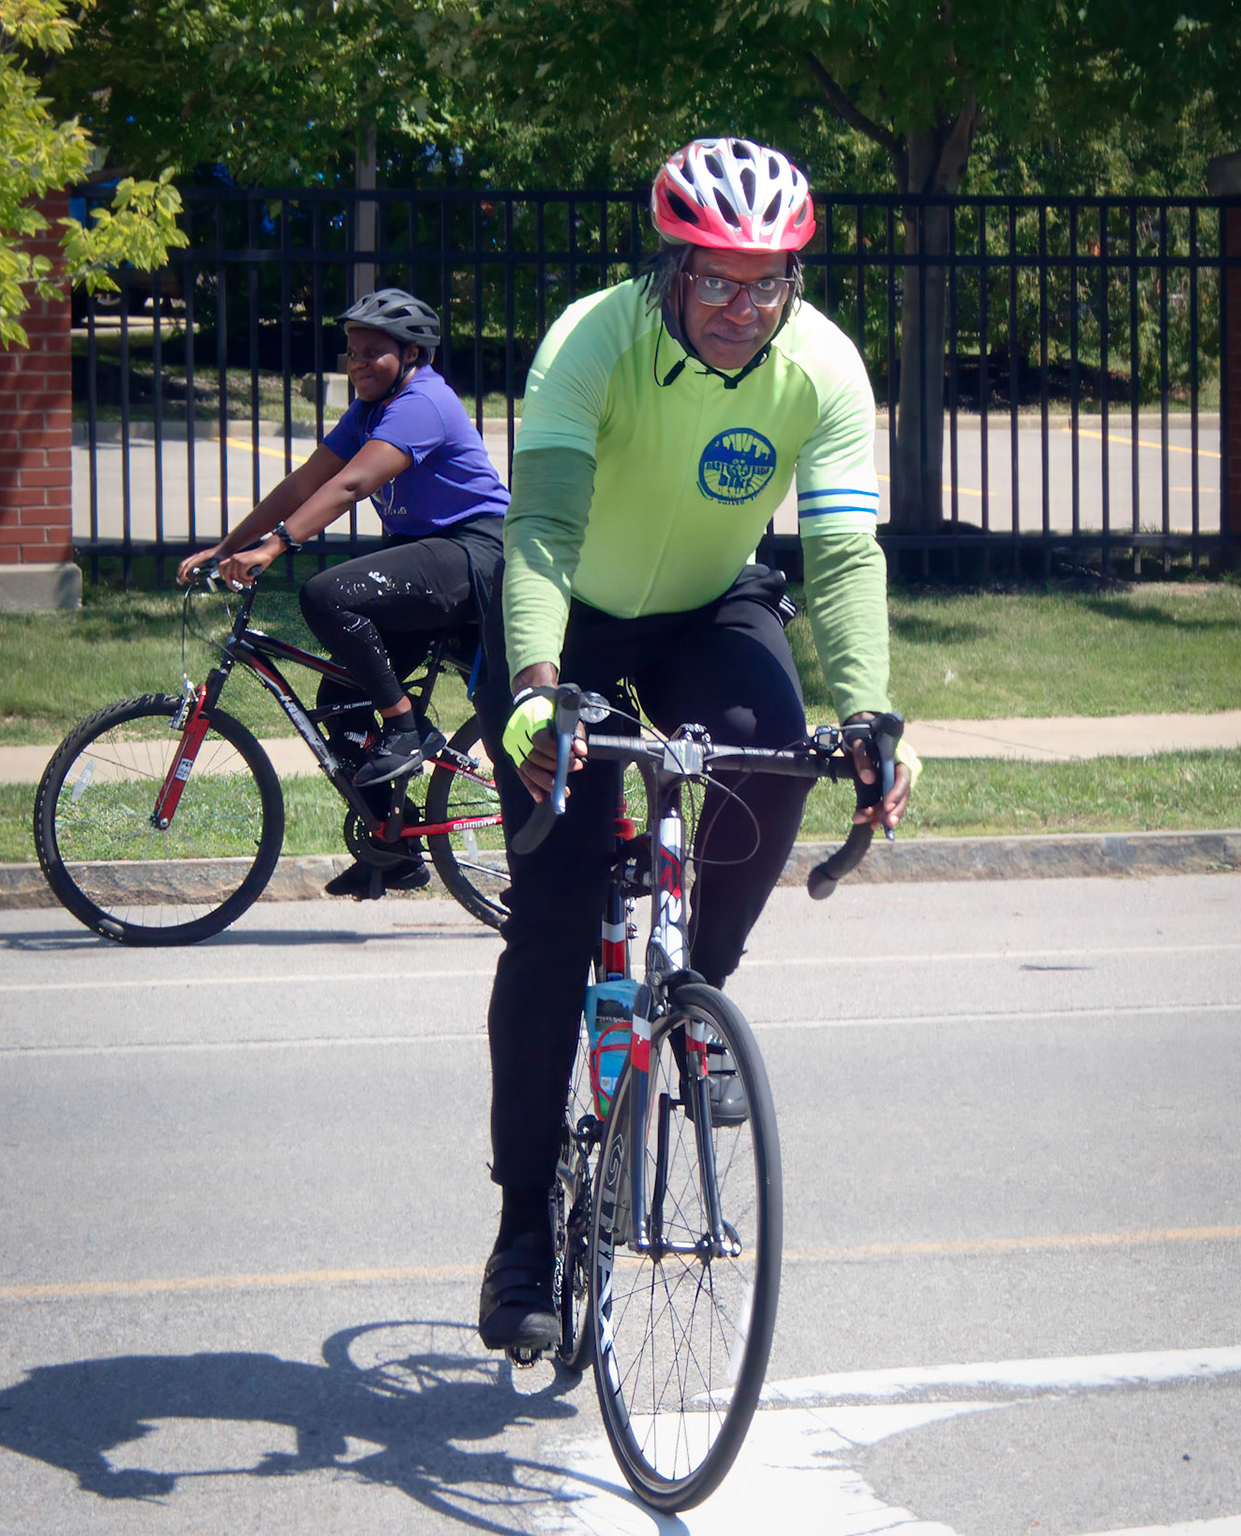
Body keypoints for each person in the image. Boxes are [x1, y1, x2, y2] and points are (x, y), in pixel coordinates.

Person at [473, 137, 920, 1352]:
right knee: (555, 917)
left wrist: (872, 712)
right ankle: (521, 1234)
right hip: (568, 622)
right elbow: (546, 527)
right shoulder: (592, 339)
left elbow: (841, 554)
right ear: (669, 267)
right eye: (716, 279)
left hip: (710, 611)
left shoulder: (821, 366)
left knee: (775, 755)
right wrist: (534, 687)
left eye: (765, 280)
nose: (740, 306)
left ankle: (695, 994)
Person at [177, 288, 510, 898]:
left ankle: (406, 726)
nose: (357, 363)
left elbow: (353, 482)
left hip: (474, 553)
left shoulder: (423, 403)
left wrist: (276, 546)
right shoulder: (369, 409)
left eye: (373, 353)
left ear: (412, 354)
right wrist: (228, 546)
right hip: (425, 555)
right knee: (341, 703)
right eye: (351, 353)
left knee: (328, 595)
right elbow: (305, 482)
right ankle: (394, 847)